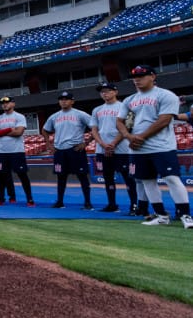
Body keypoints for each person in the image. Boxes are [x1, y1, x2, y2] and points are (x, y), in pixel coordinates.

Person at [116, 65, 192, 227]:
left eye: (141, 76)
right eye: (134, 77)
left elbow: (164, 119)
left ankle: (185, 215)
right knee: (147, 181)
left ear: (152, 76)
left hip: (162, 146)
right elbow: (120, 121)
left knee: (172, 178)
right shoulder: (130, 100)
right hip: (137, 148)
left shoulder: (166, 95)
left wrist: (140, 137)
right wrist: (128, 136)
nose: (137, 80)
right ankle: (161, 215)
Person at [91, 82, 137, 213]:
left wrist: (113, 144)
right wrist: (103, 144)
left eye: (108, 90)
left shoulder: (124, 106)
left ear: (115, 92)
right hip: (103, 149)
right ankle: (112, 204)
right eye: (102, 91)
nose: (105, 93)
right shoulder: (97, 110)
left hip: (121, 148)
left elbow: (127, 127)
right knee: (108, 177)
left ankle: (134, 205)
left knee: (128, 178)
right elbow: (94, 129)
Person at [42, 91, 93, 210]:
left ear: (72, 101)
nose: (63, 101)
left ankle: (88, 202)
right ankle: (60, 202)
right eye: (61, 99)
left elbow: (95, 127)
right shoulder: (54, 116)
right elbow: (45, 130)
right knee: (61, 177)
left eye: (66, 99)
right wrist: (49, 144)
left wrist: (86, 142)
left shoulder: (80, 114)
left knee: (82, 176)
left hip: (75, 149)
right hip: (60, 150)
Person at [0, 96, 35, 207]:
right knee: (0, 176)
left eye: (7, 102)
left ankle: (29, 199)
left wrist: (1, 132)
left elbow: (18, 132)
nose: (5, 104)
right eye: (3, 103)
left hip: (16, 151)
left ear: (13, 104)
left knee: (22, 175)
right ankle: (0, 198)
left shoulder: (19, 116)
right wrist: (9, 129)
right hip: (1, 152)